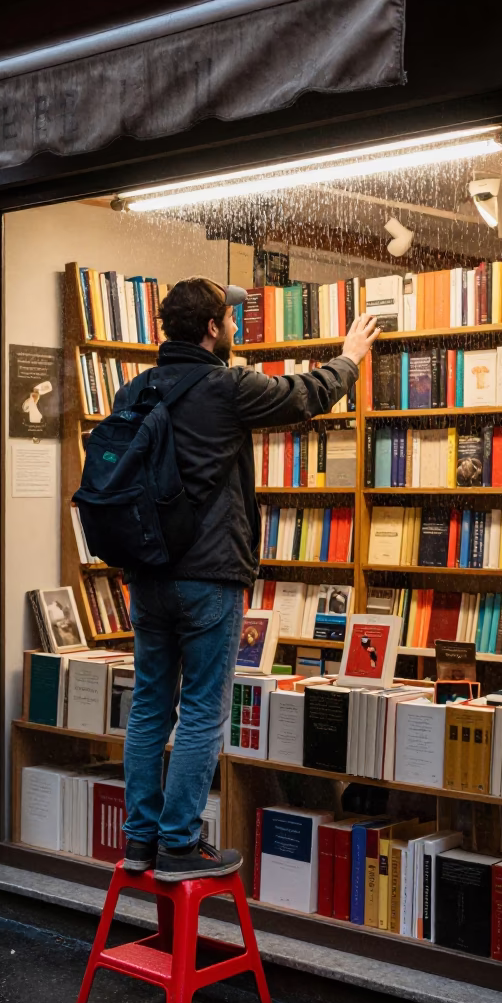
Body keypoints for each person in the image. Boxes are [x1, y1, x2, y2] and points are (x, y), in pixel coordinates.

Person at [115, 276, 381, 881]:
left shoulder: (137, 388)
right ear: (212, 328)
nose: (234, 328)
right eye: (229, 321)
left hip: (147, 577)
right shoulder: (225, 386)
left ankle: (139, 841)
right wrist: (351, 357)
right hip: (208, 576)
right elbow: (305, 395)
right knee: (205, 707)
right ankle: (179, 844)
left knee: (151, 705)